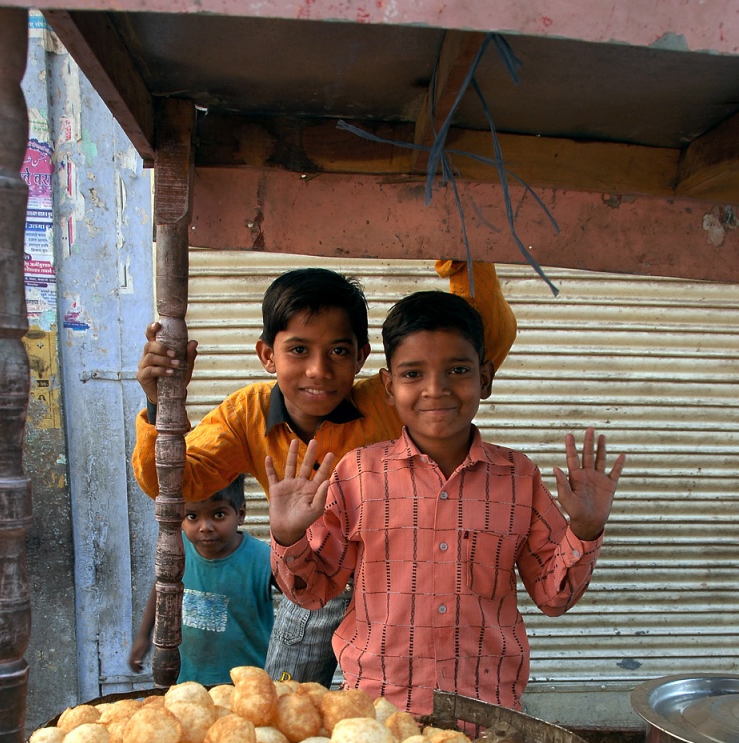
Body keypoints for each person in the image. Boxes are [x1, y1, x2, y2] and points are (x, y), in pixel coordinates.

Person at [132, 264, 517, 687]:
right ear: (267, 355)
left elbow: (485, 339)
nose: (319, 370)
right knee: (285, 705)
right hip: (309, 583)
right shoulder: (247, 414)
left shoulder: (389, 401)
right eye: (298, 350)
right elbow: (173, 483)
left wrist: (466, 260)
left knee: (391, 713)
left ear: (361, 356)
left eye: (338, 351)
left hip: (398, 590)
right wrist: (159, 406)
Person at [267, 290, 625, 717]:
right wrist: (289, 536)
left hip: (487, 713)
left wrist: (584, 530)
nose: (435, 390)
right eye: (413, 374)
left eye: (457, 370)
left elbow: (553, 596)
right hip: (378, 711)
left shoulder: (518, 478)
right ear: (388, 386)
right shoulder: (357, 473)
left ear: (485, 379)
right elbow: (316, 592)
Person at [129, 476, 274, 687]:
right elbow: (161, 593)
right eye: (192, 516)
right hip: (188, 681)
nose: (205, 526)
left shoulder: (263, 558)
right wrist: (144, 636)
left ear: (240, 513)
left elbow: (304, 596)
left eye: (218, 514)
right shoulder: (178, 554)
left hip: (246, 684)